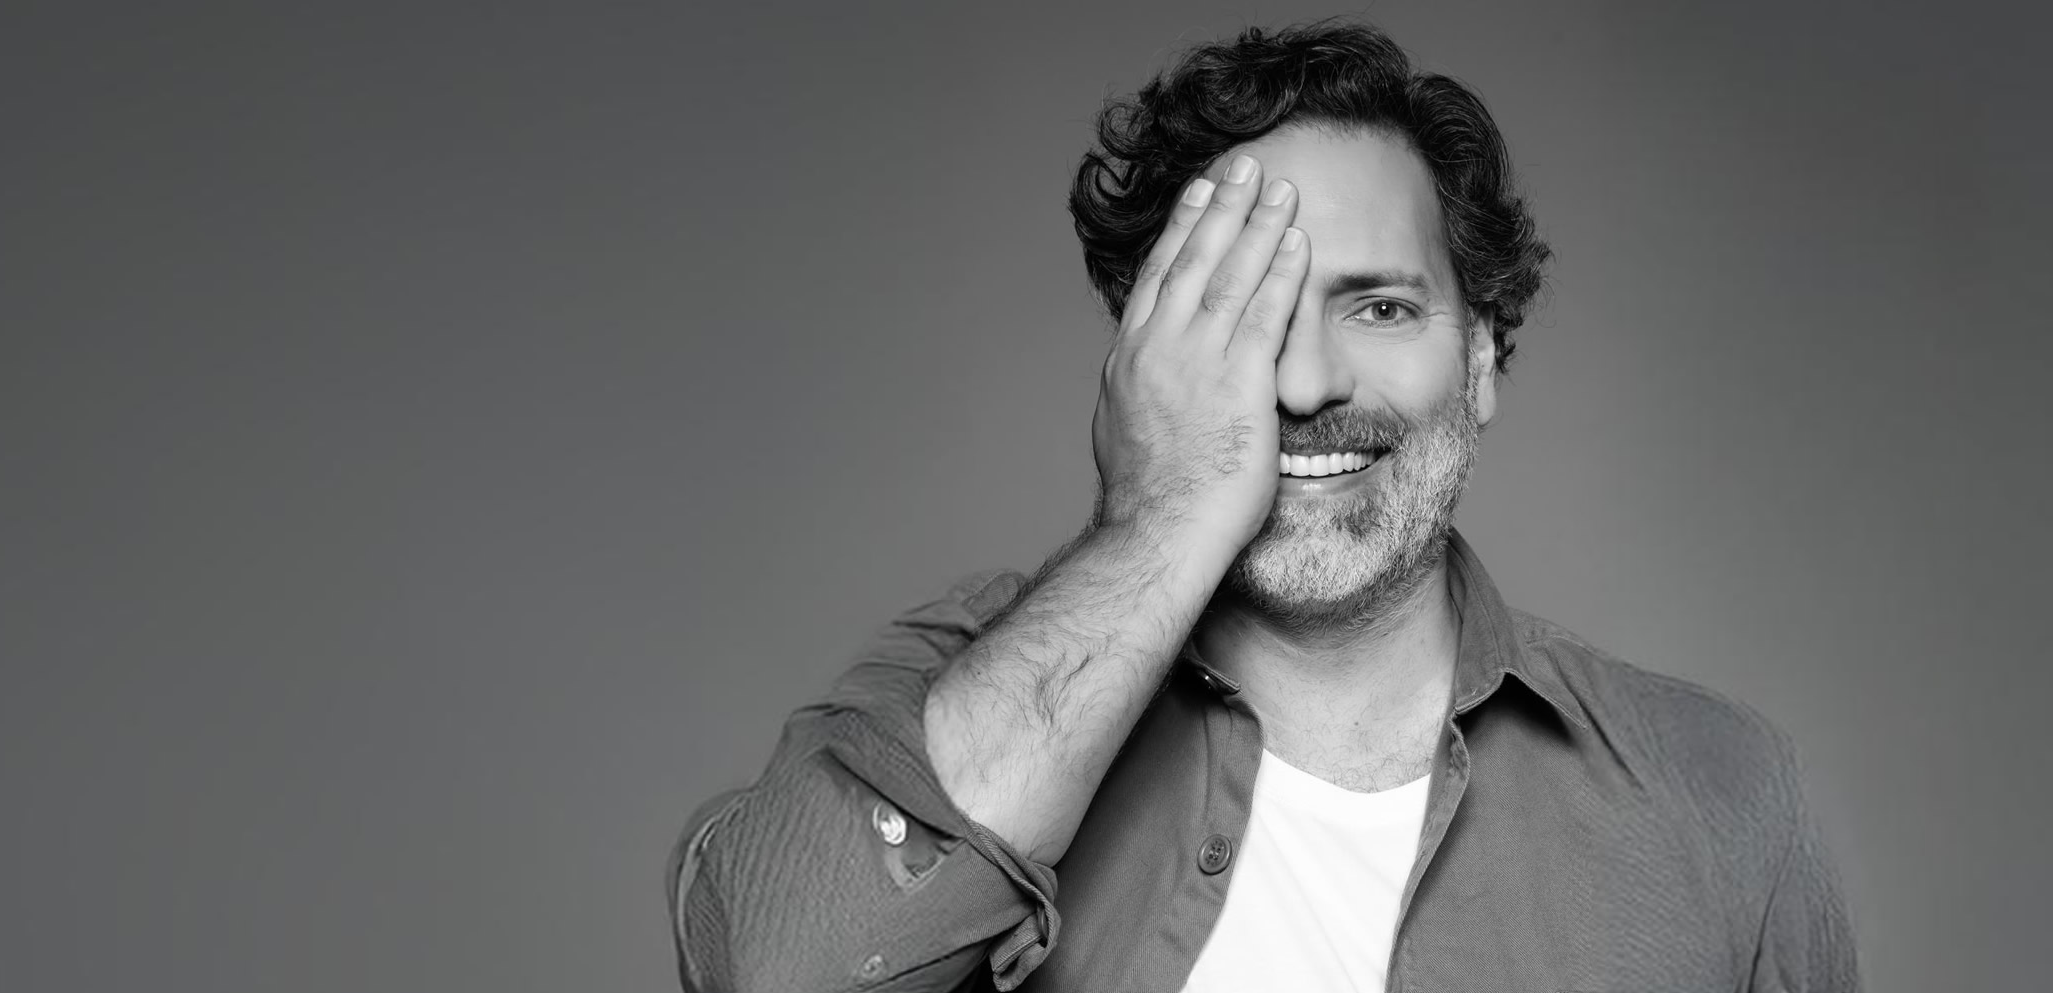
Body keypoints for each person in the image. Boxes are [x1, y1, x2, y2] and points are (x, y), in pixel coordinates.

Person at [666, 19, 1857, 993]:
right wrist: (1157, 519)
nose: (1303, 383)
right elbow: (774, 973)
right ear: (1147, 356)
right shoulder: (949, 699)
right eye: (1245, 316)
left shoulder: (1715, 792)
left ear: (1481, 358)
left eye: (1379, 308)